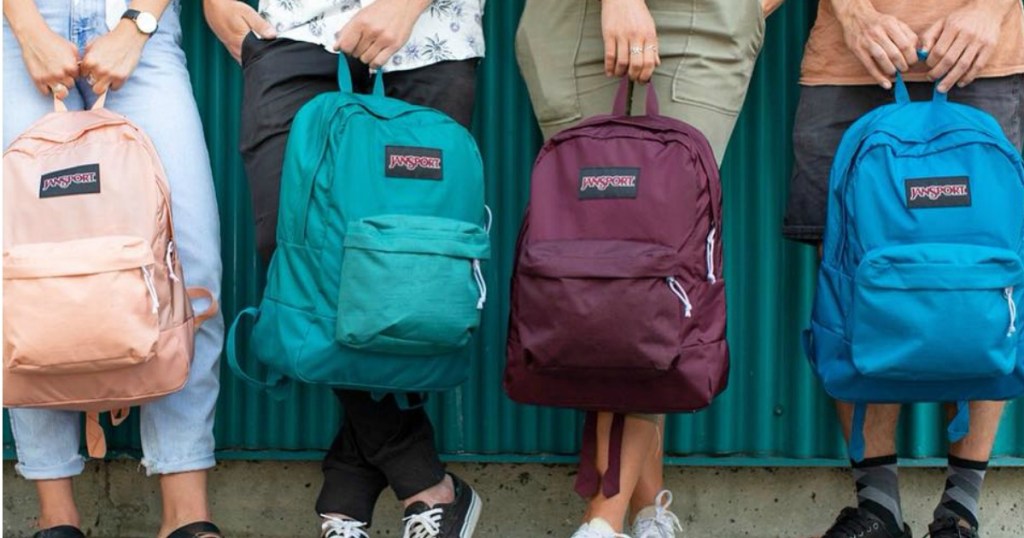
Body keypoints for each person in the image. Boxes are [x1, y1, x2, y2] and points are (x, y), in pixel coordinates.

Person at [203, 1, 485, 537]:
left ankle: (348, 489)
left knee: (403, 270)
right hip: (294, 30)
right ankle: (425, 482)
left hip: (431, 35)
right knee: (292, 249)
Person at [515, 0, 780, 536]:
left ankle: (600, 525)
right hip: (575, 22)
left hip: (704, 25)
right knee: (610, 277)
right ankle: (649, 518)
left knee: (654, 275)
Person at [783, 1, 1024, 537]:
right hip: (849, 60)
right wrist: (851, 14)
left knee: (984, 279)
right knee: (851, 275)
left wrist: (990, 10)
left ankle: (960, 513)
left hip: (980, 55)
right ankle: (878, 509)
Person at [2, 1, 226, 537]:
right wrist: (27, 27)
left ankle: (186, 518)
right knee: (26, 266)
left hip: (139, 30)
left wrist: (137, 25)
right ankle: (56, 517)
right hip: (21, 26)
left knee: (189, 263)